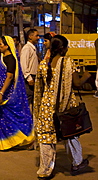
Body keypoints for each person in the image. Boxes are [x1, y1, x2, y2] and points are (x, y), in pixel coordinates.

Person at [34, 35, 91, 179]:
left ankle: (44, 171)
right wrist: (86, 75)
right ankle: (77, 163)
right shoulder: (68, 63)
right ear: (64, 48)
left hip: (47, 106)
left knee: (46, 138)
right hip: (64, 105)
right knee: (69, 134)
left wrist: (39, 107)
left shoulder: (43, 64)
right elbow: (77, 84)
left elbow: (39, 89)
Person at [0, 36, 34, 151]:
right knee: (0, 118)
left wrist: (1, 93)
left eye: (0, 44)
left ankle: (25, 138)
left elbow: (9, 77)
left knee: (12, 118)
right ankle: (2, 142)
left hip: (6, 95)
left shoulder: (10, 59)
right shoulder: (2, 57)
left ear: (7, 46)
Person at [20, 29, 40, 106]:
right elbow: (23, 64)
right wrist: (29, 78)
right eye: (36, 36)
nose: (38, 37)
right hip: (29, 78)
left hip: (33, 76)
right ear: (30, 36)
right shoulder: (27, 48)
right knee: (27, 100)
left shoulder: (32, 48)